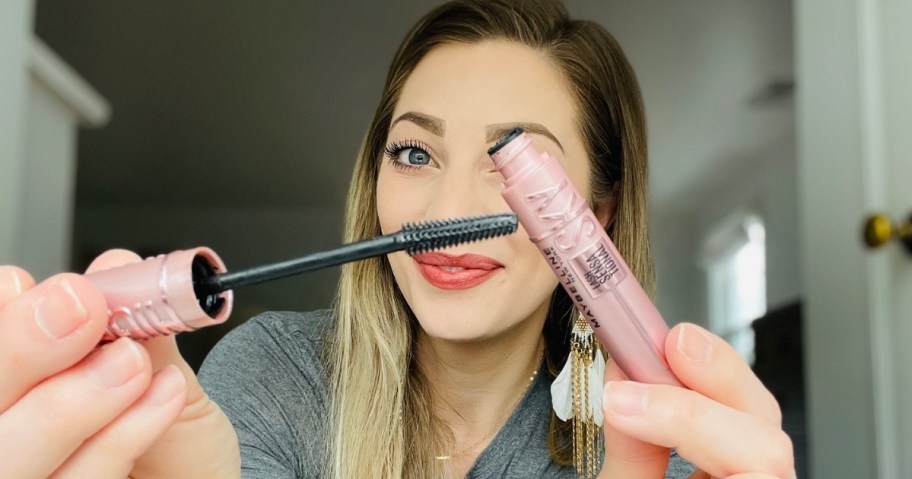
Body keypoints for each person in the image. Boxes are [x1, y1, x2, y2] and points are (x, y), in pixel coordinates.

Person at [0, 1, 795, 478]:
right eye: (414, 152)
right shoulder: (276, 372)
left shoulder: (678, 445)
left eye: (518, 165)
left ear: (603, 212)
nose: (447, 208)